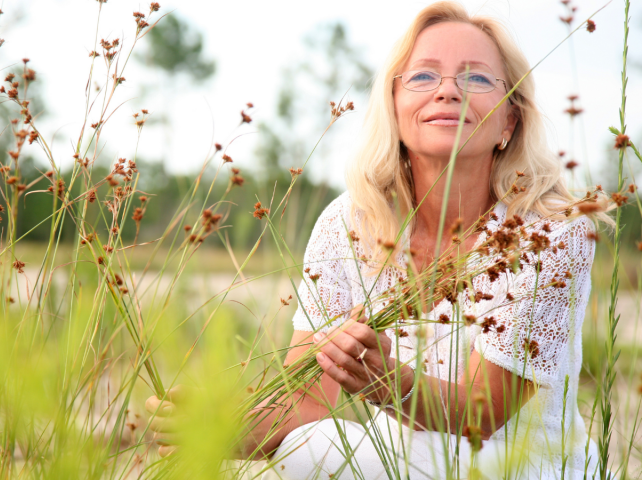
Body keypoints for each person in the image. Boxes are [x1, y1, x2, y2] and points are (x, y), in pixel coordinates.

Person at [147, 2, 602, 478]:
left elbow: (482, 414)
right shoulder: (350, 222)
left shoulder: (550, 231)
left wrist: (390, 384)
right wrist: (218, 425)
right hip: (395, 461)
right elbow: (307, 400)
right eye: (423, 76)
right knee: (302, 447)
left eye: (477, 78)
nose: (448, 90)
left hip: (523, 462)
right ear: (394, 107)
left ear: (509, 119)